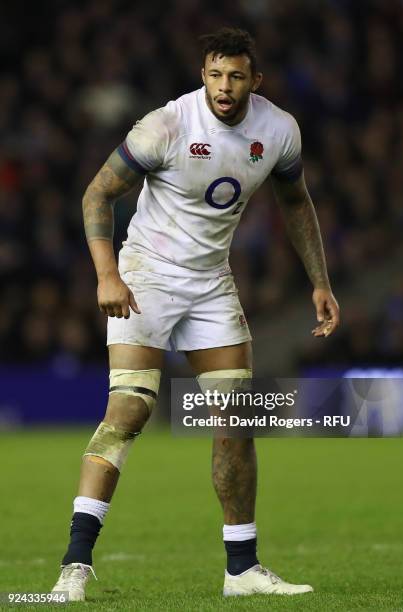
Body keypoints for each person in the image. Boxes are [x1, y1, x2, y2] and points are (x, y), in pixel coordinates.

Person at [52, 27, 339, 601]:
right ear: (202, 74)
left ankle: (242, 569)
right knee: (129, 410)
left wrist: (320, 282)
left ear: (255, 81)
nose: (223, 87)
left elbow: (295, 201)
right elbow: (97, 194)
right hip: (147, 275)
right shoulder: (167, 126)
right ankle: (74, 565)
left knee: (236, 417)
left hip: (210, 284)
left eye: (235, 76)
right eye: (214, 74)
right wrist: (108, 274)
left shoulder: (279, 129)